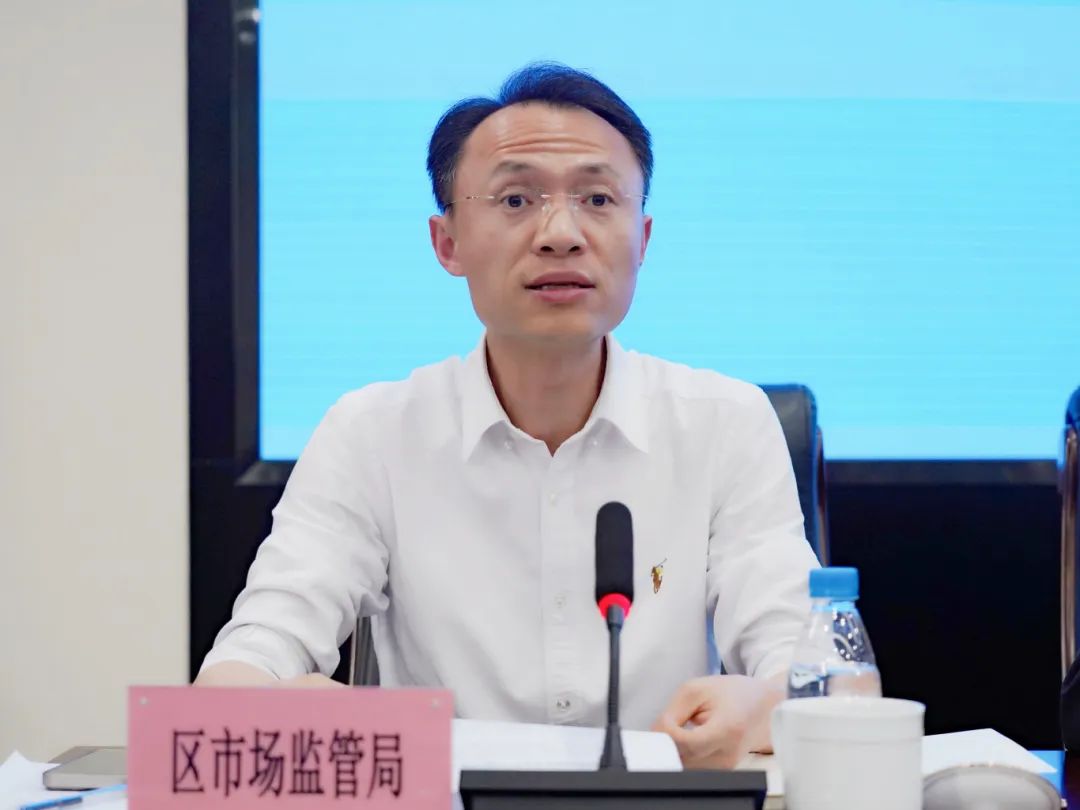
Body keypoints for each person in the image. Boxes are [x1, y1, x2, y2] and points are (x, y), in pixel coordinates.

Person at [196, 62, 819, 769]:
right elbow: (252, 655)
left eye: (597, 198)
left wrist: (765, 704)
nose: (561, 234)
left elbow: (821, 672)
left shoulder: (726, 424)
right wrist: (264, 703)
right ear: (448, 243)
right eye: (517, 199)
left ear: (643, 239)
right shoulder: (371, 433)